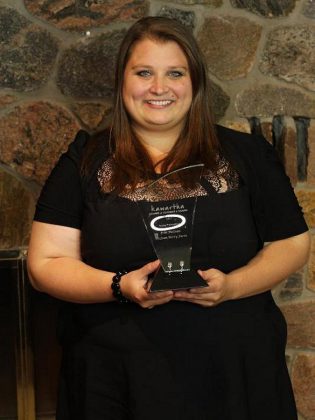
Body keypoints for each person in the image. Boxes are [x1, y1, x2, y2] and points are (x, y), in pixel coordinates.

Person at [27, 16, 310, 420]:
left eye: (174, 73)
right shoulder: (84, 162)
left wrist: (231, 287)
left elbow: (293, 243)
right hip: (114, 382)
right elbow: (44, 265)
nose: (159, 88)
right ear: (123, 81)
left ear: (194, 82)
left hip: (237, 377)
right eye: (144, 72)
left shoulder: (247, 155)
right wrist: (120, 287)